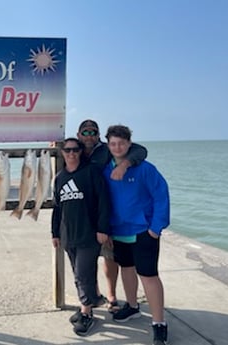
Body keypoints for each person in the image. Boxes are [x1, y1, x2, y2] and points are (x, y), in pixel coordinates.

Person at [103, 125, 170, 345]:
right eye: (113, 143)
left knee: (149, 275)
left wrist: (155, 228)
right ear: (108, 145)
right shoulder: (105, 169)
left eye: (121, 143)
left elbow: (161, 195)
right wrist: (107, 228)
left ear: (129, 144)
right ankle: (132, 306)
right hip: (119, 231)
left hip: (143, 231)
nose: (117, 147)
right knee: (126, 269)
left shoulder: (145, 168)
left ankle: (159, 323)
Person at [77, 119, 147, 313]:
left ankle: (111, 295)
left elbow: (140, 151)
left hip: (104, 210)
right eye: (85, 132)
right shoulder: (73, 150)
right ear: (79, 135)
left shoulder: (106, 150)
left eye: (93, 132)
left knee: (109, 256)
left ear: (98, 136)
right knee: (87, 258)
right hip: (82, 213)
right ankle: (93, 295)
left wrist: (124, 165)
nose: (89, 136)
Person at [51, 138, 111, 336]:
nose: (71, 153)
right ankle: (89, 302)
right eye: (67, 150)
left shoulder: (91, 172)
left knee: (83, 273)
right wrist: (55, 233)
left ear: (80, 151)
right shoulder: (59, 177)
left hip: (89, 233)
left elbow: (103, 201)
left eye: (75, 150)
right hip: (68, 235)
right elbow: (57, 209)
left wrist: (103, 229)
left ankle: (86, 313)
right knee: (78, 274)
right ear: (62, 153)